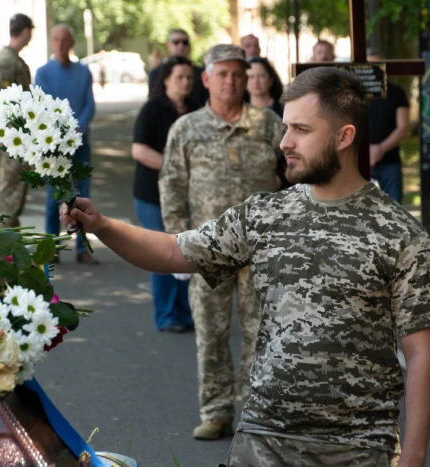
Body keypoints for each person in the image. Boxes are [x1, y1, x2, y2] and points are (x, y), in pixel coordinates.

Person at [61, 66, 430, 465]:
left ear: (344, 137)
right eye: (286, 128)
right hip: (264, 441)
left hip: (357, 448)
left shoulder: (398, 233)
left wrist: (412, 459)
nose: (285, 142)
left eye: (302, 130)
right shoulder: (265, 213)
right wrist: (103, 226)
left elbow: (422, 356)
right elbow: (171, 252)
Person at [158, 44, 284, 441]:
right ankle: (215, 411)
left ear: (247, 79)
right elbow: (172, 186)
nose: (230, 81)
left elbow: (295, 175)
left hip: (260, 248)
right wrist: (178, 244)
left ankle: (255, 411)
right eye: (222, 74)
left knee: (261, 331)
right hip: (207, 250)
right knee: (210, 332)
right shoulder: (187, 128)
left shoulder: (268, 124)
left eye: (237, 73)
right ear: (207, 79)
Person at [131, 56, 198, 333]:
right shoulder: (153, 109)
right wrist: (176, 169)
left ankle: (185, 312)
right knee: (162, 253)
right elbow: (139, 151)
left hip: (188, 196)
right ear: (167, 79)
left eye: (189, 78)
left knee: (187, 253)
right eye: (180, 76)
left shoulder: (196, 110)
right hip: (152, 195)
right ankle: (167, 315)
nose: (186, 82)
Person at [35, 24, 97, 264]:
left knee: (82, 195)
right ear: (52, 42)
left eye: (65, 39)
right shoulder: (43, 73)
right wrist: (61, 133)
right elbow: (43, 107)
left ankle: (82, 247)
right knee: (55, 197)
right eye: (56, 39)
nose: (61, 44)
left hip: (80, 142)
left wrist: (77, 128)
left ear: (71, 43)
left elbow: (90, 104)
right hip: (54, 147)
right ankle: (53, 247)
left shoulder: (83, 72)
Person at [0, 13, 34, 227]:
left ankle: (9, 243)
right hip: (13, 136)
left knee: (16, 190)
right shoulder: (6, 60)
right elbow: (0, 98)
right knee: (9, 192)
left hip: (19, 135)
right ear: (25, 31)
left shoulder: (13, 59)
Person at [367, 48, 410, 204]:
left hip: (390, 161)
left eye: (378, 65)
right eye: (369, 66)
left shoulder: (396, 93)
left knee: (394, 210)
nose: (374, 70)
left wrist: (381, 148)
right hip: (358, 160)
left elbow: (403, 126)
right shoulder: (352, 94)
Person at [147, 29, 209, 107]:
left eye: (185, 42)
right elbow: (153, 101)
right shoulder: (156, 73)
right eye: (176, 42)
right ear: (168, 45)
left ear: (189, 46)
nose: (181, 46)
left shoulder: (201, 73)